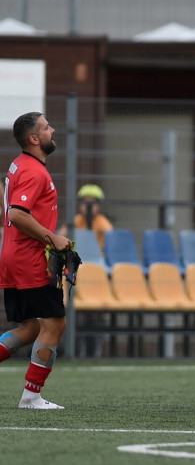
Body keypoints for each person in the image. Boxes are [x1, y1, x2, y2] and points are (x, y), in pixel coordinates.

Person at [0, 112, 73, 409]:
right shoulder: (34, 171)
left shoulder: (20, 164)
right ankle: (31, 397)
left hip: (13, 256)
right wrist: (52, 238)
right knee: (54, 323)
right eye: (46, 127)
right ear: (33, 138)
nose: (52, 130)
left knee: (31, 328)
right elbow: (17, 214)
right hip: (30, 258)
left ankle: (32, 396)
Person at [66, 184, 114, 251]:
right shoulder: (77, 219)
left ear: (99, 206)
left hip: (98, 255)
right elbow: (61, 235)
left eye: (93, 202)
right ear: (80, 205)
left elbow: (112, 241)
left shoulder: (102, 222)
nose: (89, 205)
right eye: (85, 202)